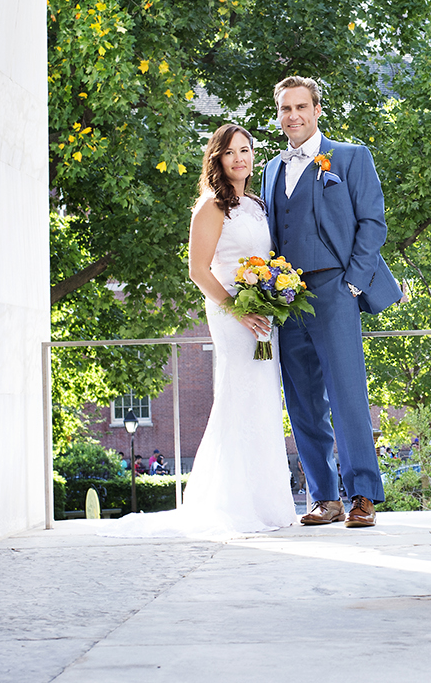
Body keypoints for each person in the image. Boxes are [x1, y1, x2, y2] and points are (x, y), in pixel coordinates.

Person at [99, 123, 296, 538]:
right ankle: (233, 503)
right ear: (217, 159)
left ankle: (268, 505)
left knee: (262, 401)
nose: (240, 158)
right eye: (231, 152)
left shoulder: (257, 205)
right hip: (233, 316)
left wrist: (273, 294)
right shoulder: (211, 207)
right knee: (237, 397)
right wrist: (238, 310)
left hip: (264, 315)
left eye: (246, 150)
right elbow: (197, 269)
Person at [262, 76, 402, 528]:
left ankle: (362, 495)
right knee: (302, 402)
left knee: (347, 396)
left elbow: (373, 224)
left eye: (301, 107)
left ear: (317, 109)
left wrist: (353, 285)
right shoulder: (270, 169)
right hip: (287, 298)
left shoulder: (351, 157)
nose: (293, 116)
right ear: (278, 114)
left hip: (335, 290)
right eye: (285, 109)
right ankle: (324, 497)